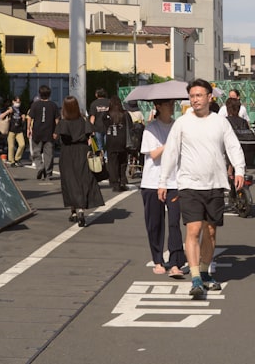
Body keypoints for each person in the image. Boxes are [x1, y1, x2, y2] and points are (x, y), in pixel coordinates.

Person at [158, 79, 245, 298]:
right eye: (192, 96)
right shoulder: (182, 123)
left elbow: (233, 146)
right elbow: (171, 154)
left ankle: (205, 271)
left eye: (199, 95)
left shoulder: (220, 122)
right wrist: (163, 181)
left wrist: (240, 169)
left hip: (215, 184)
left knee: (211, 232)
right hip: (189, 185)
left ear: (209, 97)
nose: (195, 99)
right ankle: (195, 277)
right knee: (193, 230)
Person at [139, 99, 186, 278]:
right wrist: (169, 145)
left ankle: (175, 263)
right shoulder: (151, 128)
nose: (171, 106)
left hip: (174, 181)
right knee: (155, 223)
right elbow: (153, 154)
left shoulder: (178, 126)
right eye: (167, 103)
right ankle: (158, 260)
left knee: (174, 222)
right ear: (158, 106)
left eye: (173, 103)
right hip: (152, 182)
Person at [56, 95, 103, 225]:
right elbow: (91, 134)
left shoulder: (63, 122)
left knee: (69, 181)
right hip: (82, 152)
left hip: (67, 153)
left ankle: (74, 210)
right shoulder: (83, 120)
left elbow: (60, 137)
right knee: (83, 179)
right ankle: (81, 209)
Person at [27, 85, 60, 180]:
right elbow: (57, 120)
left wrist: (28, 129)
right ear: (49, 94)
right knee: (49, 154)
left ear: (39, 94)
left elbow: (29, 117)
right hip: (50, 133)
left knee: (36, 152)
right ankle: (48, 174)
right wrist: (56, 132)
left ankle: (40, 166)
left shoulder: (35, 105)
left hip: (37, 132)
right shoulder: (53, 105)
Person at [103, 96, 132, 191]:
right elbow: (130, 126)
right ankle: (123, 180)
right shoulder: (125, 114)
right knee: (123, 162)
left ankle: (115, 183)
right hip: (123, 141)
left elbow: (104, 126)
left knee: (112, 163)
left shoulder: (107, 114)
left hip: (111, 141)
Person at [225, 97, 255, 168]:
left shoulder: (225, 121)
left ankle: (229, 170)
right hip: (243, 151)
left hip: (229, 151)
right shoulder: (243, 121)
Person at [0, 97, 27, 167]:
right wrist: (7, 112)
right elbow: (1, 116)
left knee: (22, 144)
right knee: (11, 146)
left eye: (19, 102)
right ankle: (12, 161)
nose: (18, 104)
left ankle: (17, 158)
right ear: (13, 102)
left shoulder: (21, 109)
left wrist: (23, 117)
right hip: (11, 129)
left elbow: (23, 116)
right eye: (17, 102)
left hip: (19, 129)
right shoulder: (10, 109)